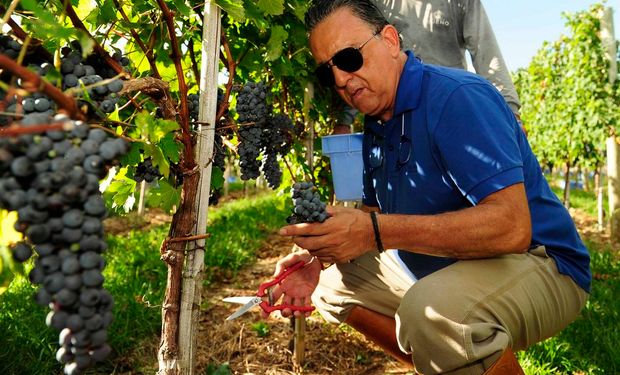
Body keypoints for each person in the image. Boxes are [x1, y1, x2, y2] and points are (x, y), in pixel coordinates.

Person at [264, 1, 591, 374]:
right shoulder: (377, 124)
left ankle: (455, 352)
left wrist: (373, 232)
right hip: (459, 262)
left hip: (543, 263)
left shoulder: (457, 98)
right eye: (328, 72)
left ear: (389, 40)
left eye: (350, 58)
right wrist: (320, 254)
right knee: (331, 285)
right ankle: (449, 365)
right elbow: (375, 214)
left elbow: (513, 228)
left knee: (432, 312)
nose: (340, 80)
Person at [334, 0, 521, 135]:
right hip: (395, 121)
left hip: (450, 112)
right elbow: (357, 61)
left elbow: (486, 53)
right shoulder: (376, 4)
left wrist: (511, 112)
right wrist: (344, 121)